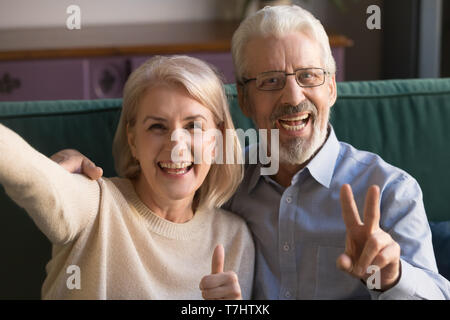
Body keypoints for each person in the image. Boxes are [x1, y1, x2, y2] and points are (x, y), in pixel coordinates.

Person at [53, 5, 450, 299]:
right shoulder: (217, 169)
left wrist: (393, 276)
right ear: (243, 99)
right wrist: (65, 170)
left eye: (308, 76)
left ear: (331, 87)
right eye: (271, 81)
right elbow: (149, 182)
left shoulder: (391, 190)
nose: (293, 98)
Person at [0, 55, 255, 299]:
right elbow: (29, 176)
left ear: (216, 140)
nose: (177, 144)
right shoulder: (94, 205)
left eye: (193, 126)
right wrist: (53, 171)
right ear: (133, 140)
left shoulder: (235, 238)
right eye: (157, 126)